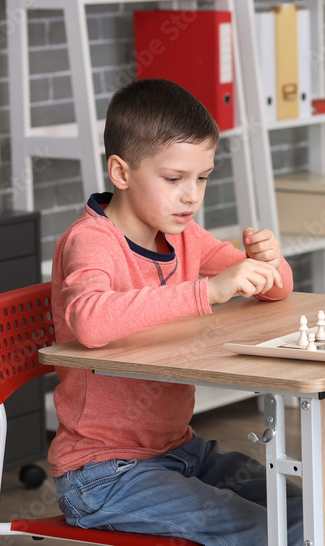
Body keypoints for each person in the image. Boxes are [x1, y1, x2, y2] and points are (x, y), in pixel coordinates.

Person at [48, 79, 303, 545]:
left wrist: (271, 262)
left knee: (305, 510)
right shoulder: (92, 241)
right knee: (261, 530)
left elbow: (273, 289)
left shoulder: (184, 234)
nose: (192, 195)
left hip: (178, 450)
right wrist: (206, 292)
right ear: (121, 173)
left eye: (202, 177)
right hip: (104, 474)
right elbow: (88, 319)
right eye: (174, 179)